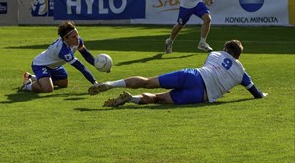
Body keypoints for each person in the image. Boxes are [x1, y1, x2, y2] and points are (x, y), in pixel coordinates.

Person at [88, 40, 268, 107]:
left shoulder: (214, 54)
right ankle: (131, 99)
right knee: (159, 98)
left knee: (149, 81)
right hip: (200, 93)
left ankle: (112, 84)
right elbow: (255, 93)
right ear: (238, 56)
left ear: (226, 49)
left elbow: (213, 70)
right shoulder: (241, 72)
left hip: (192, 75)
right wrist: (262, 94)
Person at [20, 20, 99, 93]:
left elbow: (86, 55)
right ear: (65, 39)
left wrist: (98, 65)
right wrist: (94, 82)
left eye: (77, 34)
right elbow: (80, 67)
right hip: (40, 64)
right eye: (74, 37)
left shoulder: (77, 41)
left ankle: (33, 77)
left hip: (54, 65)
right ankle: (27, 85)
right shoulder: (63, 51)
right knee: (48, 89)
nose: (77, 38)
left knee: (63, 83)